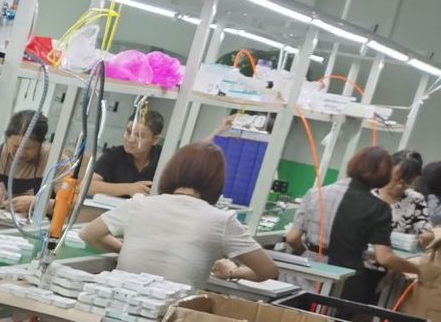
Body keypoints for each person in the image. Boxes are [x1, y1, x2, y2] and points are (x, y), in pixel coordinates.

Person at [80, 144, 278, 291]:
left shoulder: (138, 204)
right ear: (216, 181)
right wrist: (231, 272)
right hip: (174, 319)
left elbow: (88, 234)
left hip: (122, 306)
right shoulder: (222, 220)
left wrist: (124, 248)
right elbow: (268, 271)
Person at [287, 146, 424, 304]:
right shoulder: (379, 208)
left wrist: (310, 253)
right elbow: (385, 258)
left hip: (305, 273)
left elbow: (292, 238)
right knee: (332, 318)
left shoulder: (315, 193)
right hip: (346, 280)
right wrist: (419, 270)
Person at [0, 109, 50, 215]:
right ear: (7, 138)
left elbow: (69, 205)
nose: (20, 153)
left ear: (42, 143)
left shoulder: (53, 160)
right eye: (15, 146)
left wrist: (38, 203)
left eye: (27, 148)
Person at [89, 107, 164, 197]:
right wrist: (128, 189)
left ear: (155, 140)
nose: (131, 139)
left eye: (139, 135)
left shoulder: (164, 159)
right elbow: (87, 186)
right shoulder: (114, 154)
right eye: (128, 132)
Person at [381, 152, 432, 245]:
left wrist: (426, 235)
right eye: (396, 179)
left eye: (407, 183)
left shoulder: (415, 199)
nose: (399, 186)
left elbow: (423, 226)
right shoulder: (369, 193)